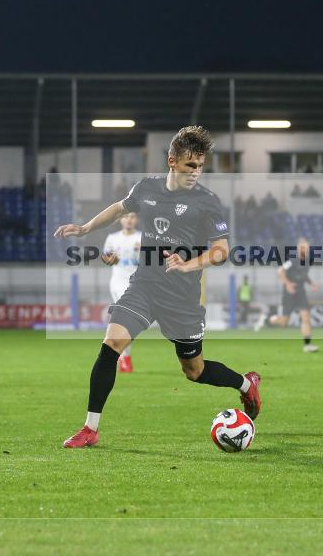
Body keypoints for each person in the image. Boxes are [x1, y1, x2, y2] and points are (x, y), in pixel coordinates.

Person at [54, 125, 261, 448]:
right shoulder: (147, 188)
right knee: (111, 346)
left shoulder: (207, 202)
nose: (196, 173)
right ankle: (90, 428)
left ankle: (245, 384)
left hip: (182, 297)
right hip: (144, 287)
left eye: (200, 166)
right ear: (172, 161)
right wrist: (85, 227)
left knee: (194, 370)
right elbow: (119, 208)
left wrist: (187, 265)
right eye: (190, 165)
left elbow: (221, 250)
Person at [254, 238, 319, 353]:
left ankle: (307, 345)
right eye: (303, 247)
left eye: (307, 248)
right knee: (284, 322)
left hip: (301, 293)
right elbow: (280, 271)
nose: (306, 249)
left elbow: (304, 275)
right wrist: (288, 284)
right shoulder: (292, 260)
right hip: (289, 294)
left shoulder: (308, 261)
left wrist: (311, 283)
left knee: (306, 317)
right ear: (299, 248)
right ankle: (267, 320)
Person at [101, 211, 141, 373]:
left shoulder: (143, 238)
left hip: (136, 284)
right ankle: (124, 358)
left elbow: (154, 260)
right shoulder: (112, 238)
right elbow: (105, 258)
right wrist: (110, 259)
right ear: (120, 219)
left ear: (136, 219)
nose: (129, 220)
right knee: (125, 322)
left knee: (125, 323)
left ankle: (117, 355)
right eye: (125, 217)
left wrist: (144, 251)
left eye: (132, 216)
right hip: (118, 284)